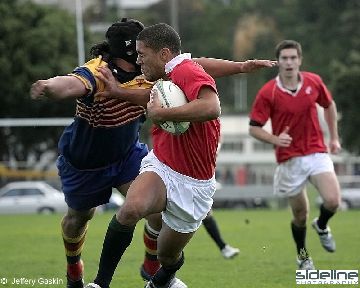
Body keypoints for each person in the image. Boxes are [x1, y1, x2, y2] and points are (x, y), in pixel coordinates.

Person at [84, 22, 247, 288]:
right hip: (163, 165)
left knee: (168, 255)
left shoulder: (186, 70)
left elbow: (211, 106)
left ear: (164, 54)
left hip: (195, 183)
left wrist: (162, 115)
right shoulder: (166, 75)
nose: (137, 60)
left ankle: (162, 281)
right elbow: (153, 96)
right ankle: (100, 283)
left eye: (141, 54)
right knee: (130, 210)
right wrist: (117, 92)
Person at [248, 40, 341, 270]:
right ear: (278, 61)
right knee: (300, 215)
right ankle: (303, 256)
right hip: (289, 158)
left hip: (316, 151)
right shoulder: (268, 92)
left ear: (300, 60)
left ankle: (321, 224)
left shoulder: (314, 82)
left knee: (333, 200)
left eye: (293, 58)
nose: (289, 62)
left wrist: (334, 137)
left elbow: (329, 105)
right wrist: (274, 139)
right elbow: (254, 127)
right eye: (284, 58)